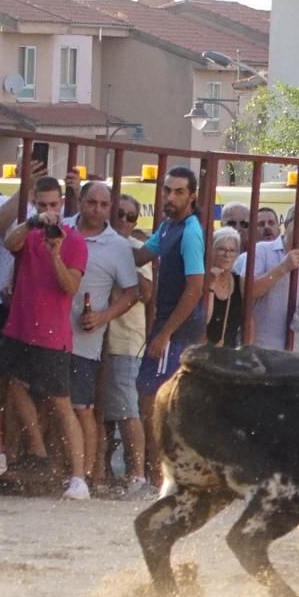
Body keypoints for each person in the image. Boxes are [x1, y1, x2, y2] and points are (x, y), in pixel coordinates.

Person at [0, 175, 91, 499]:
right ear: (35, 204)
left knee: (62, 405)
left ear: (62, 204)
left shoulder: (74, 241)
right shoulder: (29, 232)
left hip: (51, 336)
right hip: (19, 330)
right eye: (42, 205)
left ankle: (78, 479)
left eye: (52, 205)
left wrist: (55, 253)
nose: (48, 211)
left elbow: (70, 287)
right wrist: (33, 222)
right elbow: (8, 243)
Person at [65, 182, 140, 487]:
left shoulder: (118, 245)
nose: (97, 209)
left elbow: (131, 293)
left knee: (82, 407)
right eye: (91, 202)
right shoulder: (63, 228)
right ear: (80, 201)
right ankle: (52, 468)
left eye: (103, 204)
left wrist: (103, 316)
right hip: (50, 331)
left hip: (85, 339)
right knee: (48, 403)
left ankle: (84, 475)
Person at [133, 169, 208, 469]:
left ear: (192, 196)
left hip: (176, 331)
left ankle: (161, 472)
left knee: (155, 402)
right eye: (167, 190)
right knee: (154, 401)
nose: (170, 197)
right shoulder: (168, 227)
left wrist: (165, 333)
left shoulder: (189, 231)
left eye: (178, 192)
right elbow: (141, 255)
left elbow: (195, 288)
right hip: (171, 327)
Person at [105, 193, 155, 494]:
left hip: (126, 339)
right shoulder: (99, 243)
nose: (124, 221)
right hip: (97, 338)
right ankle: (102, 470)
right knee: (101, 411)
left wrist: (122, 259)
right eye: (119, 214)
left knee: (126, 410)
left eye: (130, 216)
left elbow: (146, 293)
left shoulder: (137, 249)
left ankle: (136, 473)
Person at [238, 203, 299, 354]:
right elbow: (248, 292)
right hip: (261, 348)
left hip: (298, 351)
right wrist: (283, 268)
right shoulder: (261, 251)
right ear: (287, 224)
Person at [203, 228, 246, 348]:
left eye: (232, 250)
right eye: (221, 249)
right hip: (202, 351)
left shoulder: (239, 282)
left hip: (229, 354)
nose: (227, 255)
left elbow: (248, 319)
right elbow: (204, 319)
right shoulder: (201, 279)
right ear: (211, 250)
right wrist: (211, 284)